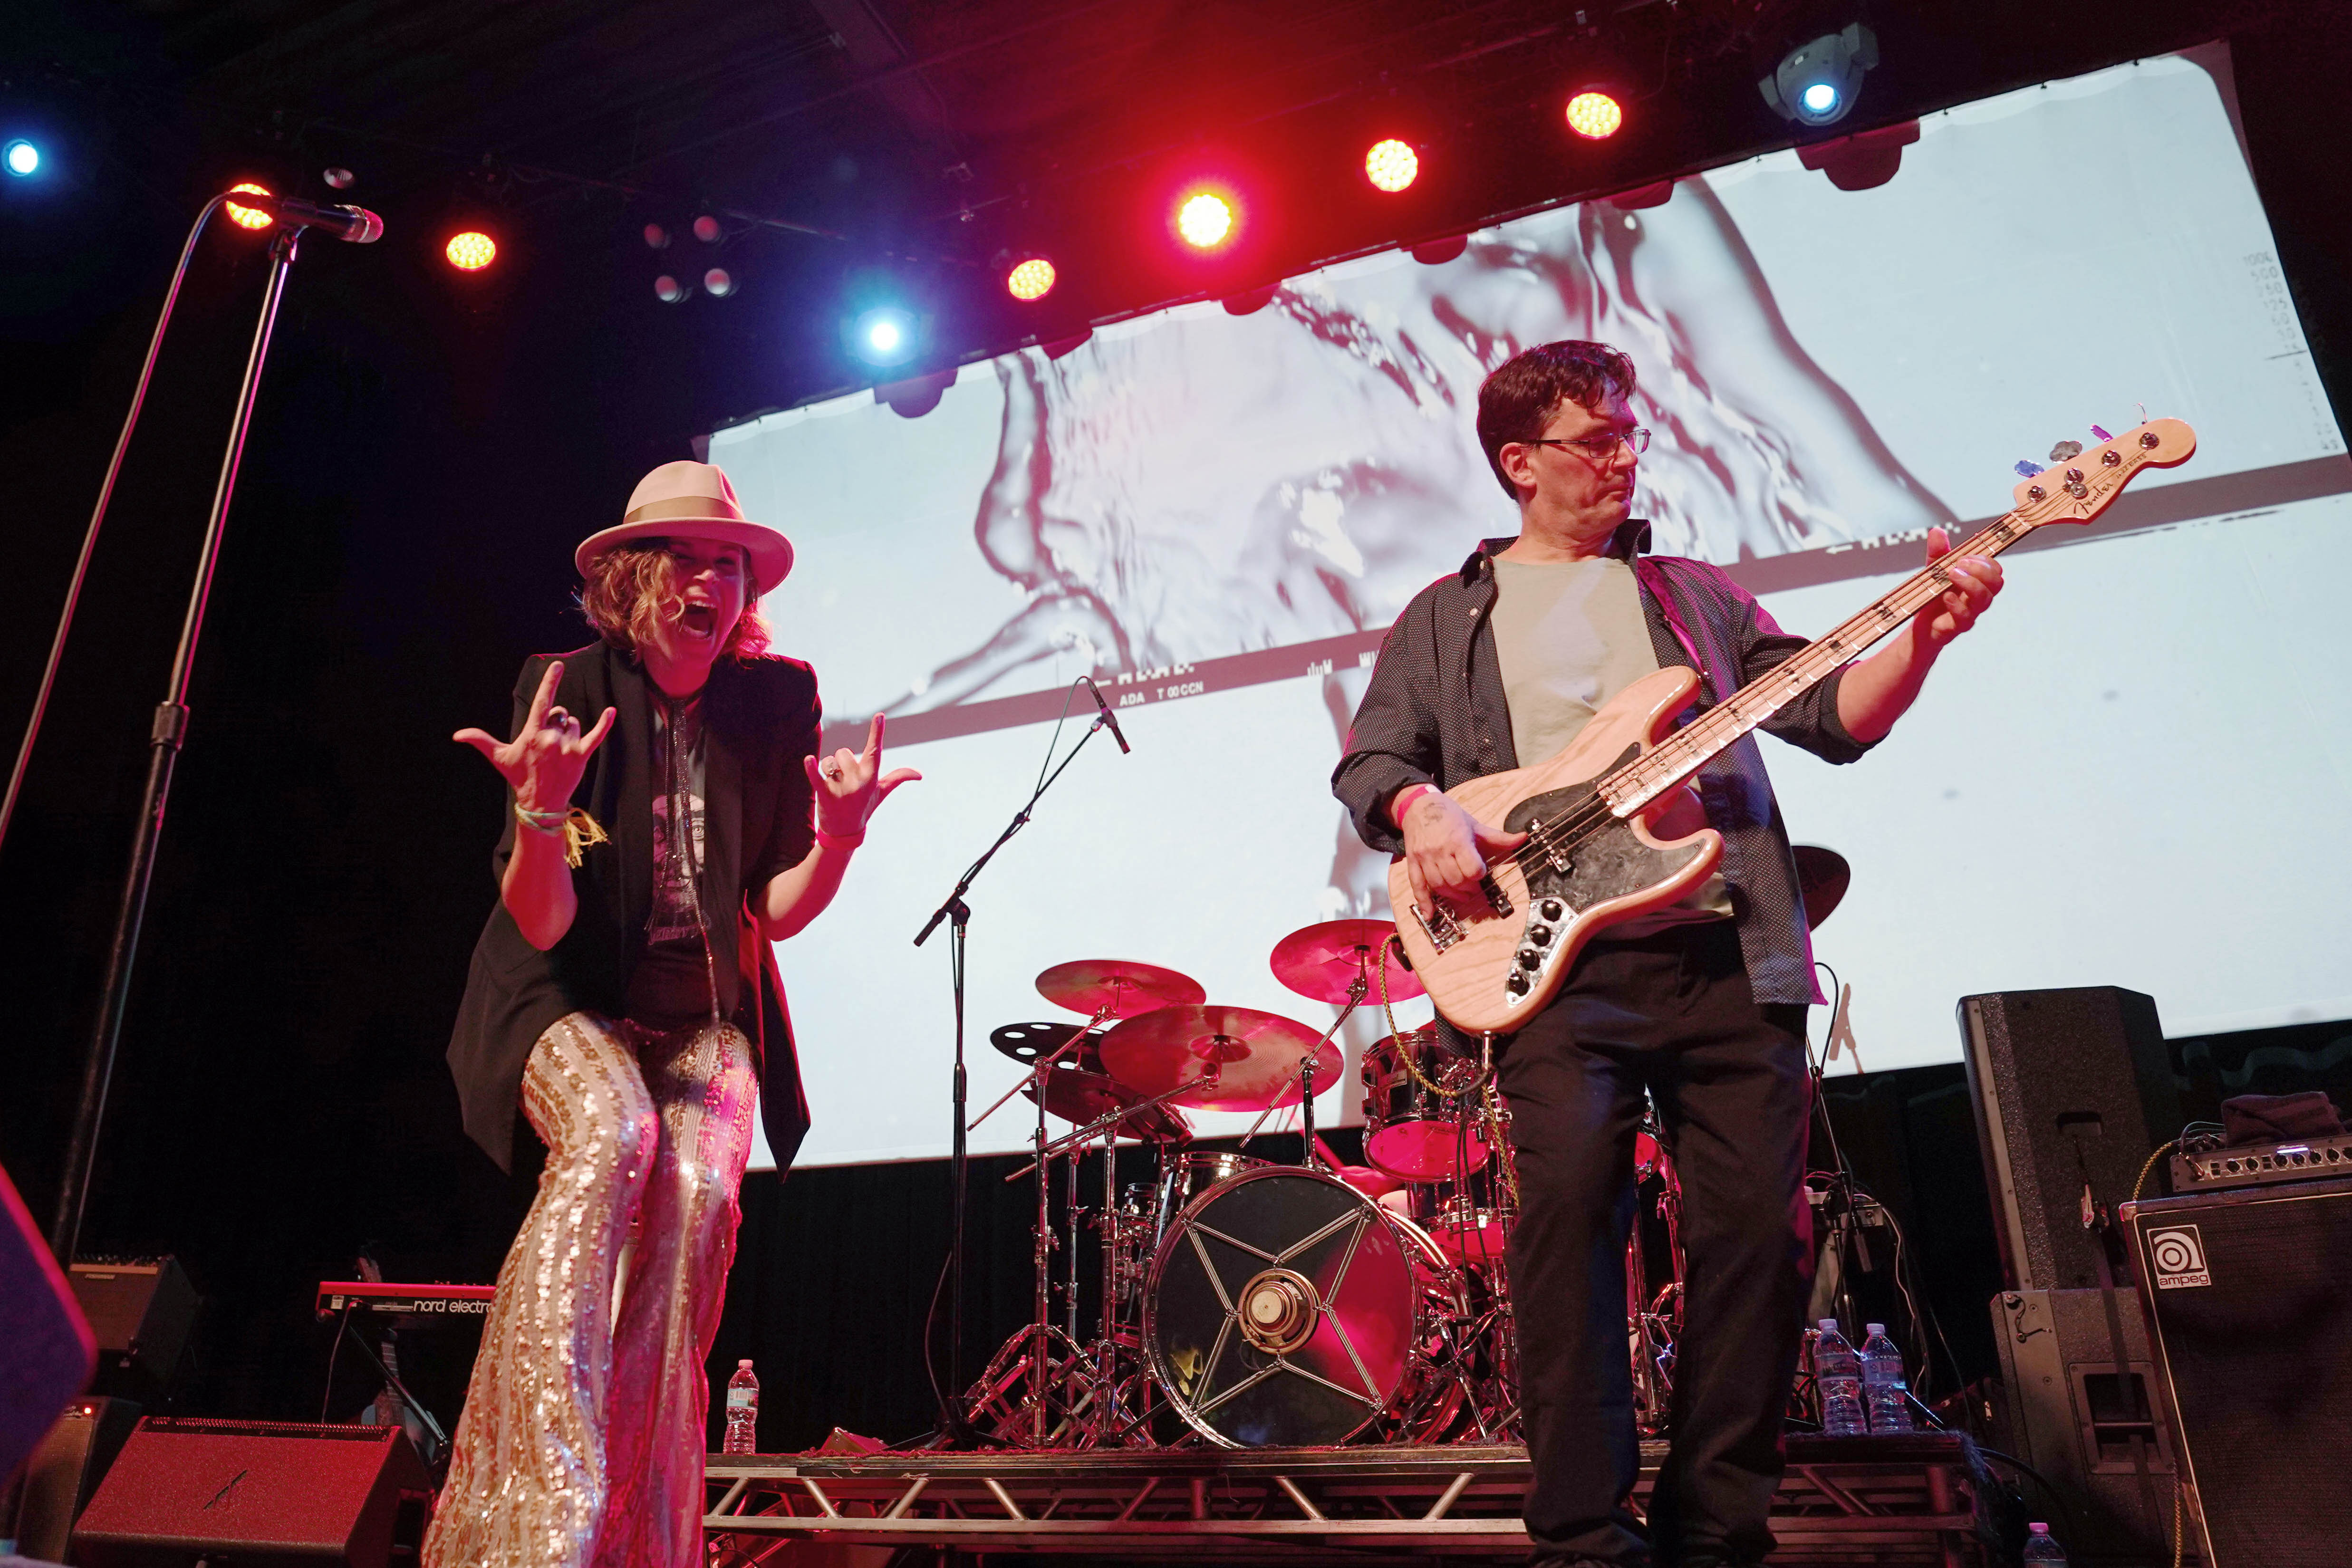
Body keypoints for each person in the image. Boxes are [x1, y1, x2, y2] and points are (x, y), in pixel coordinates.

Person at [1331, 342, 2001, 1568]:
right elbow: (1374, 765)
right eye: (1595, 440)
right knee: (1567, 1225)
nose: (1623, 456)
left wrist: (1926, 638)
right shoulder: (1444, 615)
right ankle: (1583, 1534)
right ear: (1519, 464)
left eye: (1628, 434)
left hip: (1727, 955)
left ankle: (1714, 1530)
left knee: (1758, 1241)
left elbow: (1828, 716)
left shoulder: (1691, 596)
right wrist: (1427, 814)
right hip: (1556, 969)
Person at [424, 461, 918, 1568]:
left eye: (729, 564)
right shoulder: (567, 685)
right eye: (687, 559)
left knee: (696, 1206)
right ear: (636, 579)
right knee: (615, 1140)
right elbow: (542, 926)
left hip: (704, 1019)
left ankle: (644, 1541)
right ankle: (540, 1517)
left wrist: (838, 839)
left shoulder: (775, 698)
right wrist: (543, 813)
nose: (711, 580)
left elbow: (774, 912)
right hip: (564, 1005)